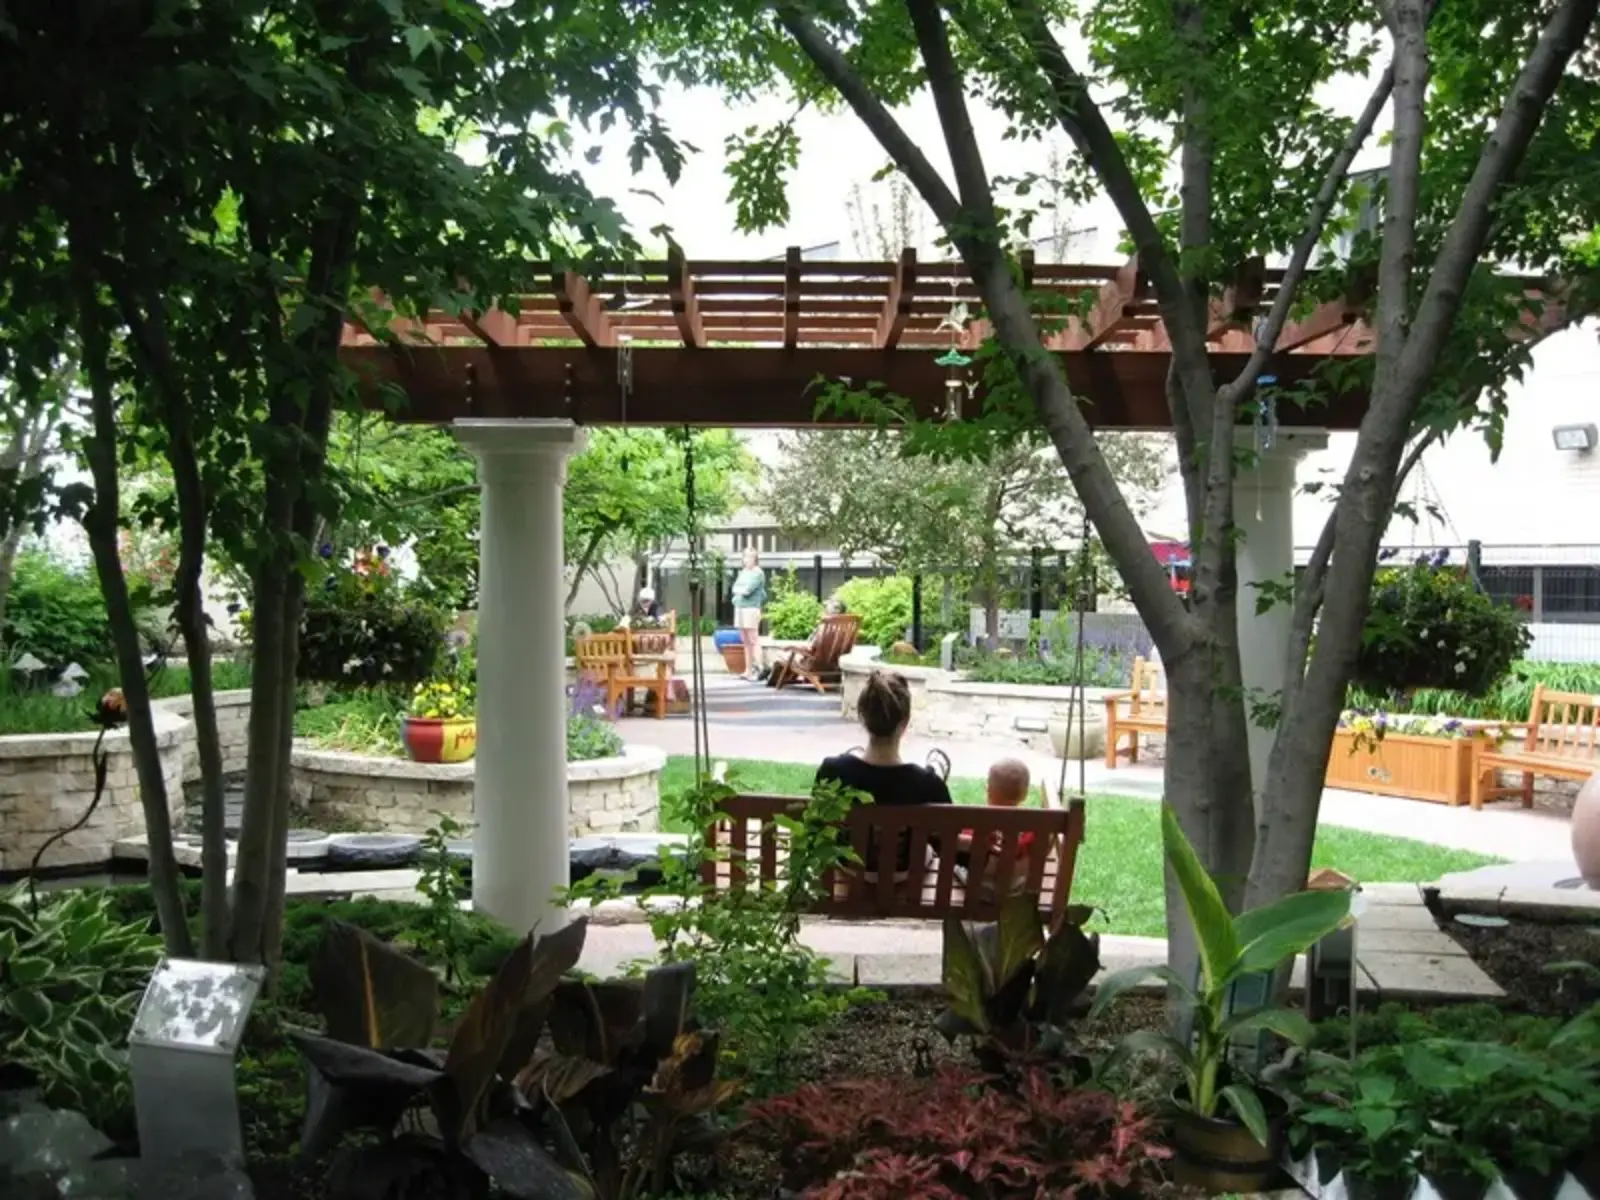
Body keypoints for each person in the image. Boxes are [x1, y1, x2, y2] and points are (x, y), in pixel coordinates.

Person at [815, 670, 953, 870]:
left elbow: (817, 826)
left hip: (849, 872)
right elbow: (947, 839)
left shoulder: (833, 771)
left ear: (863, 719)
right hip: (906, 876)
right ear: (904, 724)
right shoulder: (928, 784)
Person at [959, 758, 1037, 861]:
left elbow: (962, 845)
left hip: (978, 873)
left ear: (989, 790)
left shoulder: (978, 823)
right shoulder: (1032, 828)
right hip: (1015, 876)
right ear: (1024, 794)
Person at [730, 548, 767, 681]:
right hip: (740, 608)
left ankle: (760, 667)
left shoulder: (758, 573)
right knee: (745, 640)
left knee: (753, 638)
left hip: (751, 609)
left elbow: (747, 590)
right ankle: (748, 670)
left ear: (755, 558)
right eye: (745, 557)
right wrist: (739, 591)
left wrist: (740, 590)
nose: (747, 559)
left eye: (750, 557)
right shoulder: (743, 572)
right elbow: (734, 588)